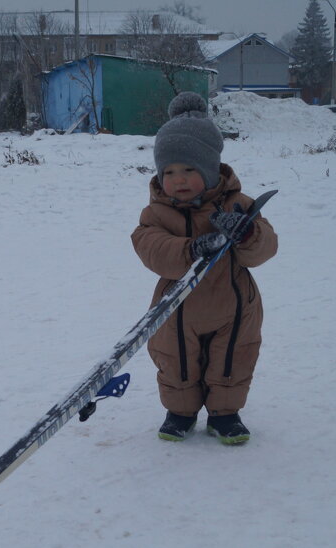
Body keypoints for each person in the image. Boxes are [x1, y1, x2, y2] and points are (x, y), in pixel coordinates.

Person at [131, 92, 279, 445]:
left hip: (235, 307)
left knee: (233, 359)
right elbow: (149, 247)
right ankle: (180, 413)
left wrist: (247, 234)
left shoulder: (238, 206)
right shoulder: (157, 214)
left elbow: (266, 247)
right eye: (168, 172)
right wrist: (191, 249)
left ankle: (225, 414)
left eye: (189, 170)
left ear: (210, 169)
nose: (178, 180)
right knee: (176, 360)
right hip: (176, 310)